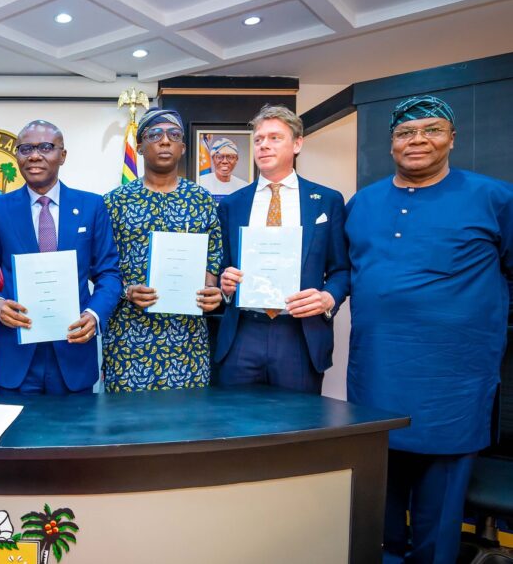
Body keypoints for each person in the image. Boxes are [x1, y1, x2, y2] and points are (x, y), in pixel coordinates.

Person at [345, 95, 513, 564]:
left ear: (452, 138)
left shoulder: (495, 198)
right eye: (405, 132)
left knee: (438, 520)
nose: (417, 140)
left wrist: (473, 319)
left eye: (432, 130)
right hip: (376, 376)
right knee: (376, 506)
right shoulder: (362, 203)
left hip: (453, 385)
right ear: (391, 143)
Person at [0, 120, 121, 394]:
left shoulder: (92, 206)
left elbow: (109, 274)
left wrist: (94, 314)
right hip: (16, 355)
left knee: (76, 425)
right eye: (26, 148)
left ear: (62, 155)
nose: (35, 156)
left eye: (45, 147)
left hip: (74, 350)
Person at [215, 104, 348, 394]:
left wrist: (328, 298)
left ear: (297, 144)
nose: (264, 145)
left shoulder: (326, 201)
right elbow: (222, 267)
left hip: (300, 335)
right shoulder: (232, 204)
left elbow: (341, 269)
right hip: (242, 333)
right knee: (232, 420)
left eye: (275, 138)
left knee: (297, 420)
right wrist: (225, 284)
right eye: (259, 139)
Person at [102, 108, 223, 392]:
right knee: (128, 418)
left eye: (174, 135)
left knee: (188, 416)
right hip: (129, 337)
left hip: (187, 337)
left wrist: (210, 290)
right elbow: (101, 265)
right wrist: (126, 291)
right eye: (155, 134)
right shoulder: (114, 201)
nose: (165, 141)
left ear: (183, 147)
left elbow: (213, 256)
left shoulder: (201, 199)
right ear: (140, 147)